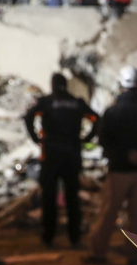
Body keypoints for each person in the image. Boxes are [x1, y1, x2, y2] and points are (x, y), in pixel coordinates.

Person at [88, 66, 137, 264]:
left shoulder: (112, 113)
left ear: (120, 86)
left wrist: (123, 155)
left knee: (108, 212)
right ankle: (133, 255)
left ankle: (98, 252)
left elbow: (104, 140)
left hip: (118, 172)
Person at [24, 73, 99, 248]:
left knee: (49, 198)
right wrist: (87, 138)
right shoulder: (77, 102)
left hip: (50, 155)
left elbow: (28, 117)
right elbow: (97, 118)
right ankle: (75, 238)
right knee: (72, 198)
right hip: (72, 155)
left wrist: (35, 138)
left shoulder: (46, 102)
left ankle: (48, 236)